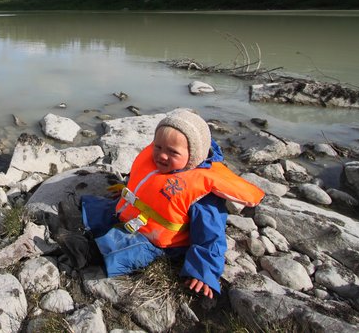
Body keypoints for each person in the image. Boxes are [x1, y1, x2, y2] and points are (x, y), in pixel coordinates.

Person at [72, 109, 265, 298]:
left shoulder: (203, 195)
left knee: (126, 249)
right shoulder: (159, 162)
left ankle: (86, 253)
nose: (161, 156)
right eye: (158, 147)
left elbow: (211, 236)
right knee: (96, 208)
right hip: (134, 215)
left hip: (159, 241)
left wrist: (203, 272)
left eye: (172, 152)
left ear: (194, 156)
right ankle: (80, 227)